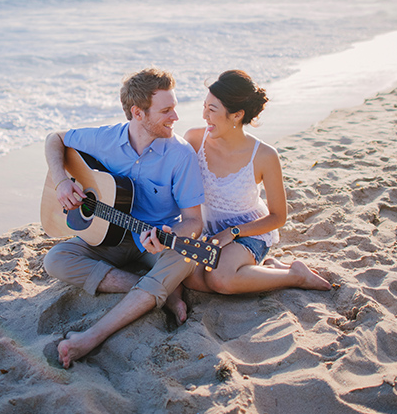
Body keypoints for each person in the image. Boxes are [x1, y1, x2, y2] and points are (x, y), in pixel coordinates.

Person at [43, 68, 204, 368]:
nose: (175, 117)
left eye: (175, 108)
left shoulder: (181, 154)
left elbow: (195, 222)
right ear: (138, 113)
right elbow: (55, 138)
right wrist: (61, 180)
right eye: (166, 110)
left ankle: (89, 338)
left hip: (157, 245)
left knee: (187, 255)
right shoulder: (105, 138)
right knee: (55, 259)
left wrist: (170, 233)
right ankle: (155, 290)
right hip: (110, 237)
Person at [181, 70, 331, 295]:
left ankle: (295, 275)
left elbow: (278, 217)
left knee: (221, 279)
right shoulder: (194, 139)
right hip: (208, 231)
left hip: (248, 232)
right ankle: (266, 270)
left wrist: (233, 232)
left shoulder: (264, 156)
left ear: (236, 115)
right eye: (204, 106)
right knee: (191, 278)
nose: (205, 115)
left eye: (212, 110)